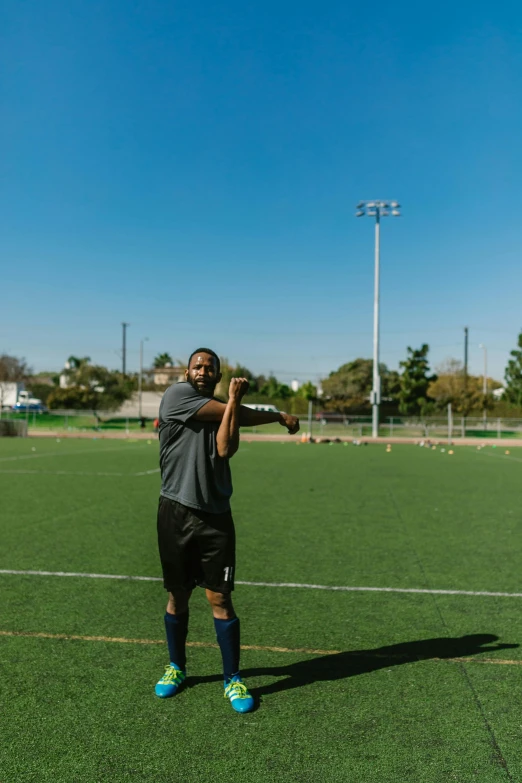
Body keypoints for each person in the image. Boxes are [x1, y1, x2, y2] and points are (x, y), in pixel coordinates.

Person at [154, 348, 300, 712]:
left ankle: (232, 678)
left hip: (215, 517)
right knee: (178, 595)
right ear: (187, 371)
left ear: (218, 377)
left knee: (220, 598)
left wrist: (234, 404)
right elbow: (232, 413)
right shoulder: (176, 396)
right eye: (197, 366)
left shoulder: (225, 408)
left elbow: (225, 448)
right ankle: (177, 667)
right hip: (175, 510)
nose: (202, 371)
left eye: (210, 368)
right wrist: (278, 415)